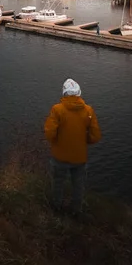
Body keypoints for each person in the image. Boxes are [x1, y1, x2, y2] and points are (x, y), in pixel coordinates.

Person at [44, 79, 101, 216]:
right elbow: (95, 136)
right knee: (78, 186)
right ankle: (76, 211)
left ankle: (56, 208)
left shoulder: (57, 109)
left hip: (60, 156)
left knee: (58, 183)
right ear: (79, 93)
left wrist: (56, 142)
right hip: (79, 157)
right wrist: (83, 141)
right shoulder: (89, 110)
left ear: (64, 93)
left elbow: (49, 133)